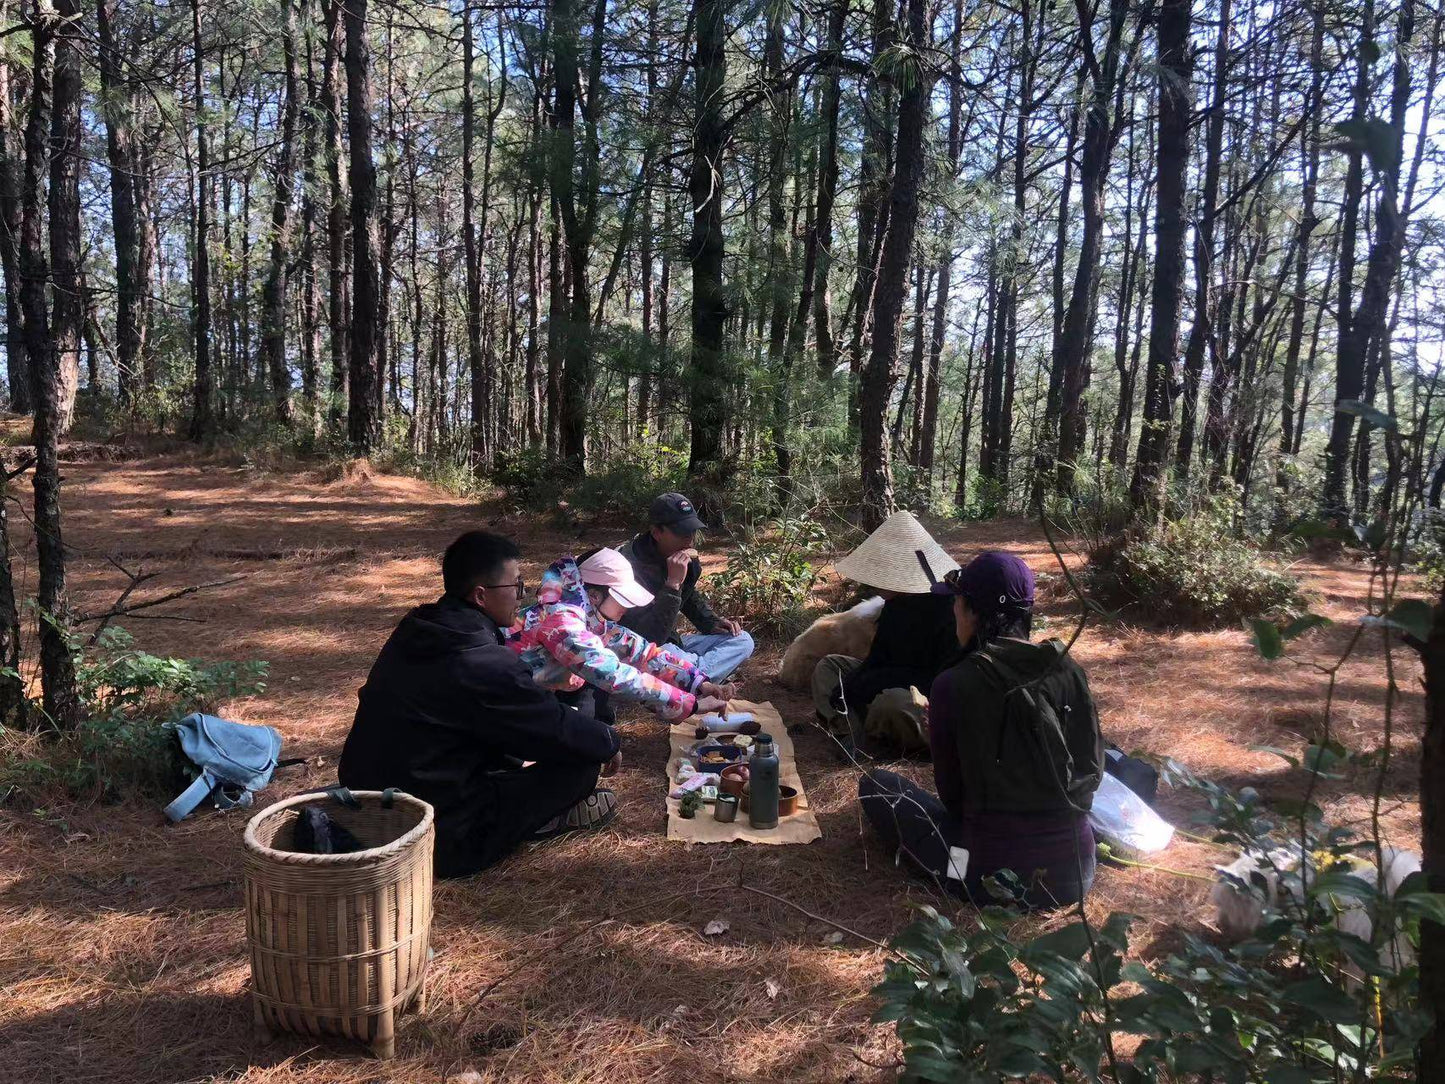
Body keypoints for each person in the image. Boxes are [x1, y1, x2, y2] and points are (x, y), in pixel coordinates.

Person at [339, 531, 622, 878]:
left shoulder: (419, 629)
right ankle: (536, 824)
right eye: (515, 587)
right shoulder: (480, 659)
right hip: (435, 833)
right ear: (481, 595)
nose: (523, 596)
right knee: (581, 766)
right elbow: (550, 726)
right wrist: (607, 742)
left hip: (365, 809)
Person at [857, 551, 1104, 909]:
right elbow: (1089, 768)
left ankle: (956, 874)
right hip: (1077, 874)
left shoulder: (954, 684)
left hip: (986, 877)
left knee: (877, 786)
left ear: (971, 610)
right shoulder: (1067, 669)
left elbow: (954, 800)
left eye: (957, 602)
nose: (954, 611)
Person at [510, 546, 733, 724]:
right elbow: (613, 674)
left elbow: (640, 652)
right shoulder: (563, 622)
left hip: (547, 692)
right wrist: (689, 703)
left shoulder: (589, 614)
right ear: (595, 596)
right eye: (622, 600)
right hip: (516, 704)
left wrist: (698, 683)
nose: (627, 608)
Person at [811, 510, 962, 753]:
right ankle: (850, 732)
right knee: (829, 667)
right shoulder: (895, 605)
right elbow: (879, 657)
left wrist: (876, 681)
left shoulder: (948, 610)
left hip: (926, 699)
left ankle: (874, 737)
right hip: (888, 681)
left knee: (891, 702)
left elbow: (942, 680)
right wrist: (857, 680)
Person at [618, 492, 755, 680]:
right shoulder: (628, 567)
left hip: (676, 643)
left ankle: (692, 675)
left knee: (742, 640)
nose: (689, 540)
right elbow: (650, 637)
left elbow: (689, 596)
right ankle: (695, 678)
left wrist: (710, 622)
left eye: (692, 531)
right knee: (667, 655)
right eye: (681, 533)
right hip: (644, 647)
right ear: (657, 532)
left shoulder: (684, 559)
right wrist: (672, 584)